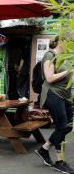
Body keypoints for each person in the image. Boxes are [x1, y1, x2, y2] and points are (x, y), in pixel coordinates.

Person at [35, 35, 74, 174]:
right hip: (53, 94)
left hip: (66, 96)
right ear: (62, 42)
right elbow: (49, 78)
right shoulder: (50, 55)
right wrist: (68, 71)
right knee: (62, 126)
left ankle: (44, 149)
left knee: (68, 126)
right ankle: (59, 161)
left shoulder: (65, 58)